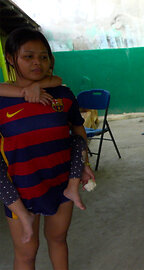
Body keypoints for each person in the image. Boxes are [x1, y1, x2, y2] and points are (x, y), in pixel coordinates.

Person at [0, 27, 94, 270]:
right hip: (20, 191)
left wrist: (83, 164)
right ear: (11, 58)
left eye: (43, 57)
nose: (37, 63)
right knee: (26, 254)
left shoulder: (62, 95)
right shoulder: (2, 101)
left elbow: (78, 131)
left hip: (61, 184)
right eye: (28, 56)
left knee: (58, 240)